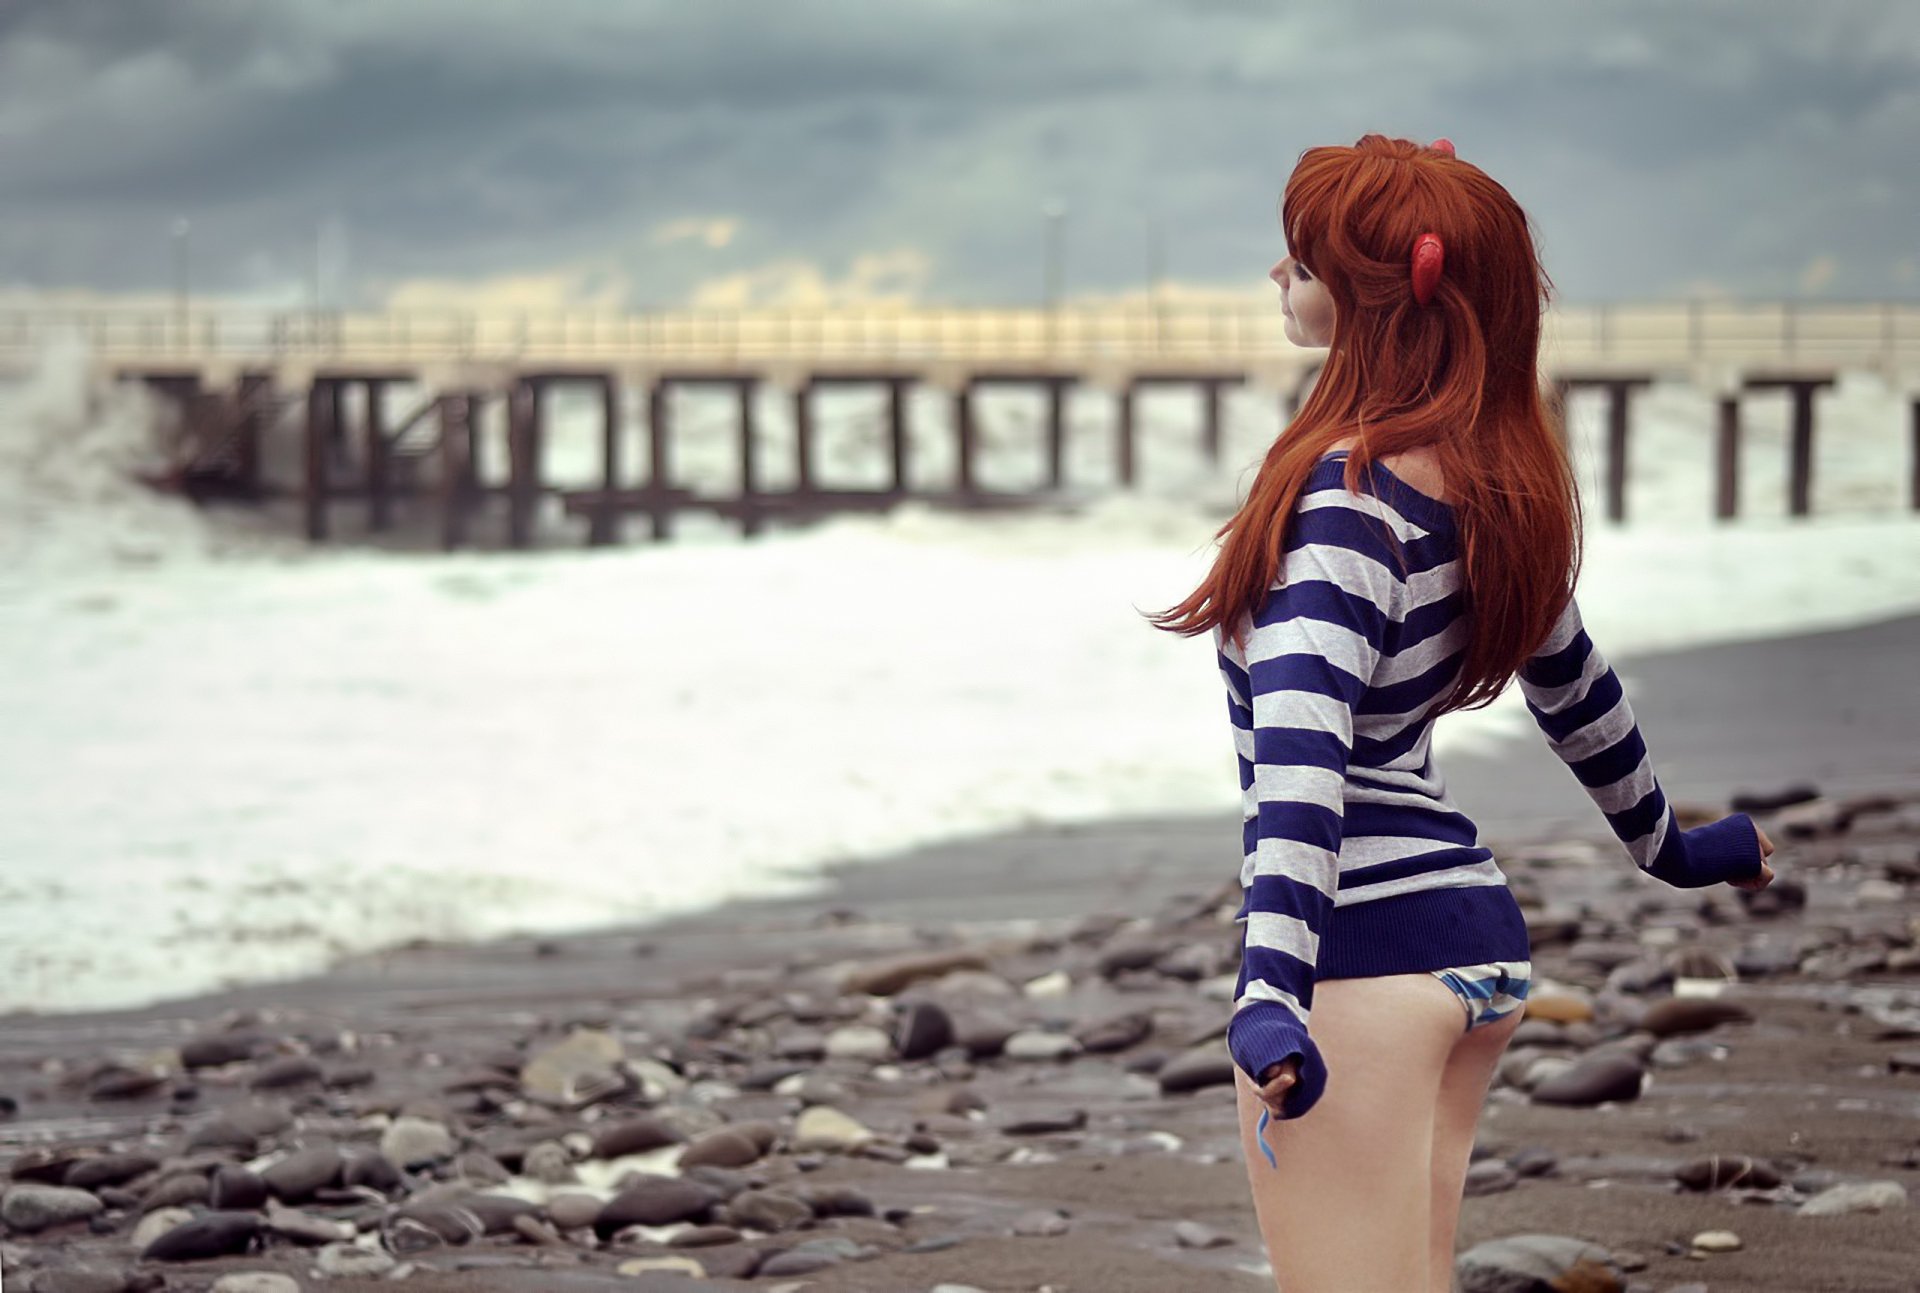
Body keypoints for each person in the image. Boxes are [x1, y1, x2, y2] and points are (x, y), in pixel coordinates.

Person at [1146, 134, 1777, 1292]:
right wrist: (1669, 847)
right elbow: (1579, 688)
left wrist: (1270, 992)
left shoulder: (1338, 513)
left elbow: (1301, 770)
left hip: (1363, 959)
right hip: (1474, 946)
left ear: (1380, 299)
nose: (1274, 279)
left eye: (1298, 261)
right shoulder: (1491, 489)